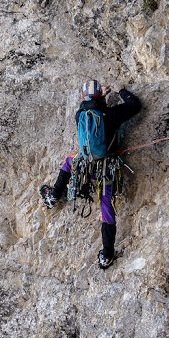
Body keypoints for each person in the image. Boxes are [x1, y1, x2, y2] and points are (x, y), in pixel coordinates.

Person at [40, 80, 142, 269]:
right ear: (99, 98)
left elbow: (89, 107)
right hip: (106, 168)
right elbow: (135, 106)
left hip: (85, 166)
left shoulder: (80, 115)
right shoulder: (111, 115)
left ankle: (53, 196)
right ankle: (107, 255)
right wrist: (122, 92)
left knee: (69, 160)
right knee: (106, 204)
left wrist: (98, 98)